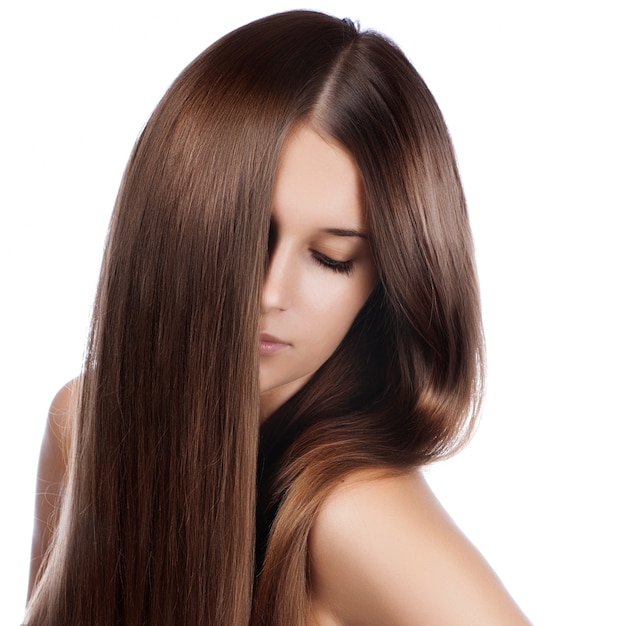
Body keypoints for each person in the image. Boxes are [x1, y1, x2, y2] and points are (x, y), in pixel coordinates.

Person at [25, 10, 531, 626]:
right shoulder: (81, 424)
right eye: (245, 238)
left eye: (331, 258)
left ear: (382, 285)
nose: (269, 292)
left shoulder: (353, 517)